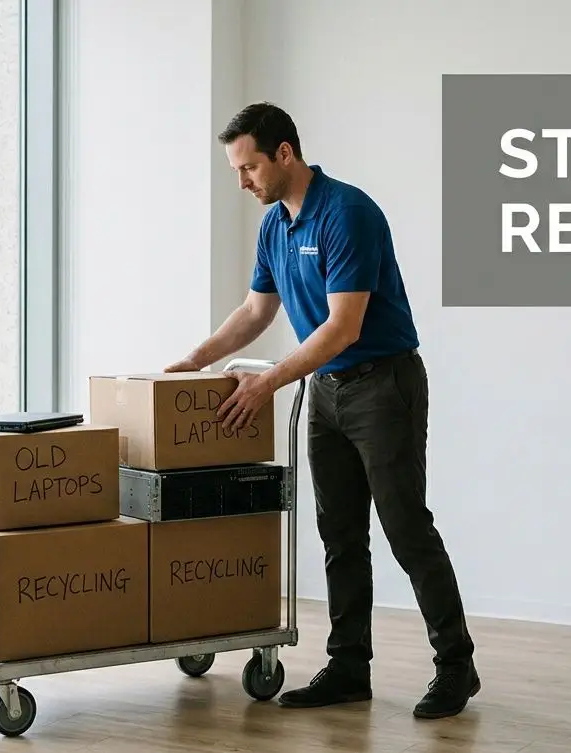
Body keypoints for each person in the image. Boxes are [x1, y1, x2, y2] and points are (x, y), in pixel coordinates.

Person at [165, 102, 479, 719]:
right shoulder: (275, 225)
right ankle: (348, 667)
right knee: (338, 533)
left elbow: (343, 326)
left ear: (285, 154)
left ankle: (456, 666)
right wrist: (194, 361)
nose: (243, 181)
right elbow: (257, 312)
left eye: (250, 166)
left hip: (382, 386)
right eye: (236, 169)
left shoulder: (347, 214)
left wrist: (270, 383)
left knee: (405, 529)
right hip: (328, 391)